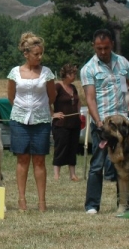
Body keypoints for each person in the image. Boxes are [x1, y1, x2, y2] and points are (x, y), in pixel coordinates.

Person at [81, 28, 129, 215]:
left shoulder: (123, 62)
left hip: (123, 125)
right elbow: (90, 98)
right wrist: (99, 122)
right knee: (97, 165)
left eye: (106, 48)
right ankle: (92, 205)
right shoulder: (88, 68)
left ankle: (125, 204)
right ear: (94, 46)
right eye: (99, 48)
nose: (103, 52)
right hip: (103, 125)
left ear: (112, 45)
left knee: (124, 165)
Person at [7, 32, 56, 212]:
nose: (40, 57)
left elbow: (52, 95)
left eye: (41, 53)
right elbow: (11, 96)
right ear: (26, 54)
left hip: (41, 120)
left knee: (39, 160)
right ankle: (22, 200)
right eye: (36, 54)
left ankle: (42, 202)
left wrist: (41, 109)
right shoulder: (14, 72)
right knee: (22, 159)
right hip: (19, 121)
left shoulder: (47, 73)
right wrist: (22, 110)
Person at [51, 64, 82, 182]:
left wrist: (79, 113)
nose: (74, 76)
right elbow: (48, 100)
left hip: (74, 123)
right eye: (71, 74)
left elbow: (78, 101)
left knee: (73, 148)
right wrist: (53, 113)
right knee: (60, 148)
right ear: (65, 75)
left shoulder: (73, 88)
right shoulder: (58, 86)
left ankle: (72, 174)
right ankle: (56, 175)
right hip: (61, 124)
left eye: (75, 73)